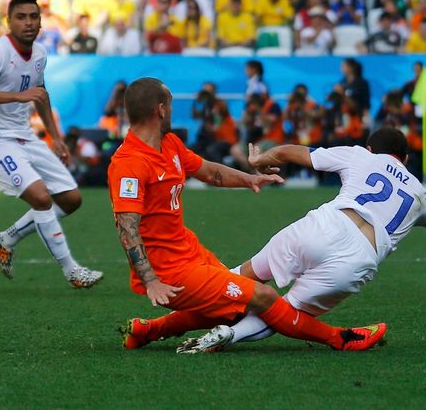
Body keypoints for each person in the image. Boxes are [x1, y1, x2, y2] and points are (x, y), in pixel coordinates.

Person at [179, 128, 426, 353]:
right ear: (406, 160)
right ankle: (227, 337)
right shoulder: (422, 195)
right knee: (283, 314)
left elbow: (290, 151)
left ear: (370, 147)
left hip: (325, 225)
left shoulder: (360, 155)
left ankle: (183, 302)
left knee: (242, 276)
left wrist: (261, 159)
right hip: (359, 258)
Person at [110, 77, 387, 353]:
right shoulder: (130, 163)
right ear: (160, 109)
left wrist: (250, 179)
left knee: (232, 309)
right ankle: (340, 339)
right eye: (169, 105)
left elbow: (207, 171)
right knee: (262, 296)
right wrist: (151, 281)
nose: (171, 110)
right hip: (167, 271)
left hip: (187, 250)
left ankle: (147, 331)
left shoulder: (169, 143)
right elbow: (127, 227)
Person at [0, 0, 103, 288]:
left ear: (41, 22)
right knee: (41, 198)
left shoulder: (39, 53)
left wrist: (56, 136)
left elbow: (40, 93)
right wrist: (17, 96)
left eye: (33, 17)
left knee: (71, 199)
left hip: (25, 137)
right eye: (21, 17)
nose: (28, 23)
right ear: (9, 21)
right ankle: (71, 271)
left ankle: (6, 239)